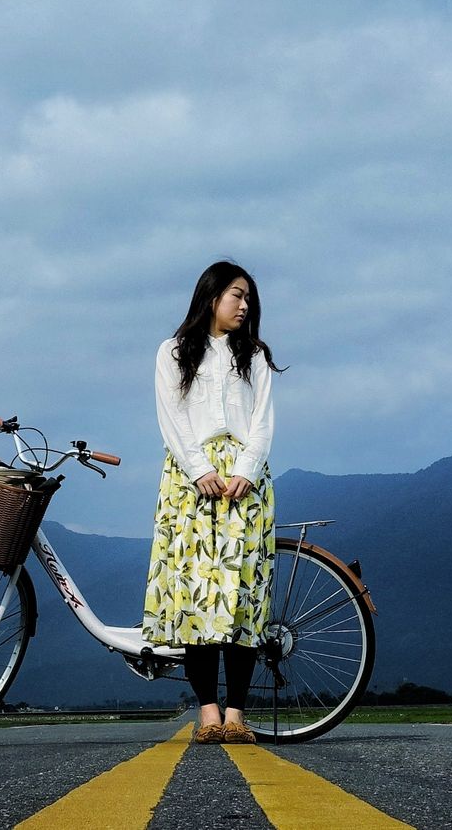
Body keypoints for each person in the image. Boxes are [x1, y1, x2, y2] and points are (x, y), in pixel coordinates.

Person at [141, 260, 280, 745]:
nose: (244, 306)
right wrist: (199, 468)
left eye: (249, 299)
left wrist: (245, 469)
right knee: (196, 598)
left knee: (241, 597)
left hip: (246, 480)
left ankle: (237, 714)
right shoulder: (173, 351)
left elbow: (263, 421)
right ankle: (208, 714)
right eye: (236, 296)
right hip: (189, 481)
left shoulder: (255, 355)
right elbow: (172, 417)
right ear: (211, 295)